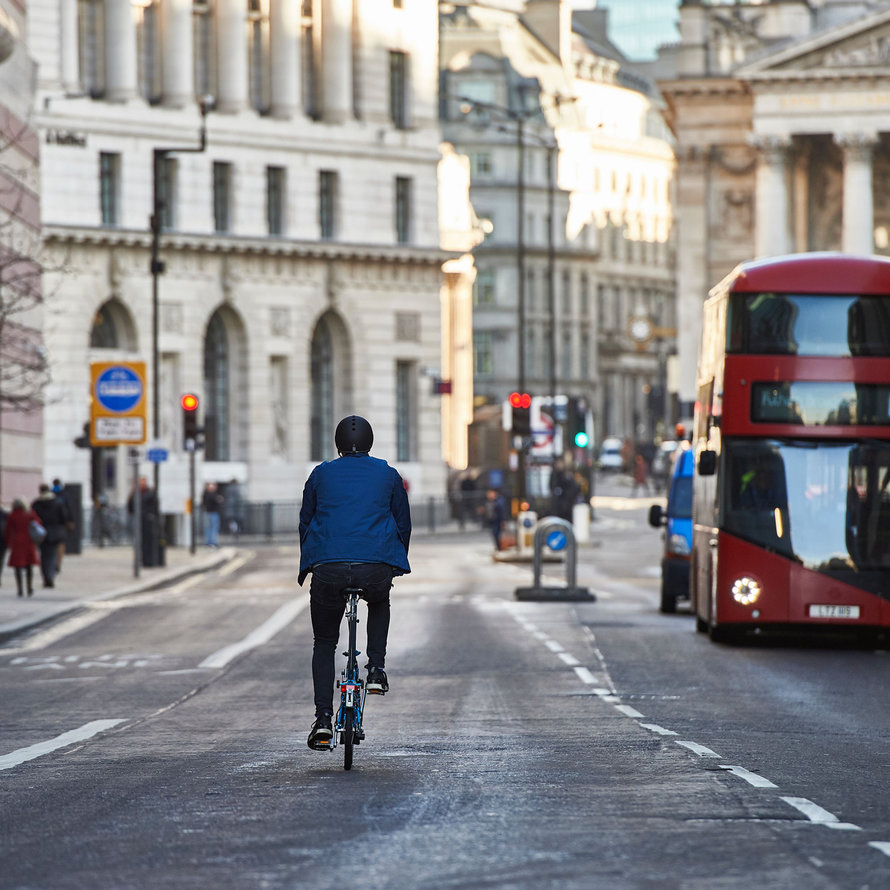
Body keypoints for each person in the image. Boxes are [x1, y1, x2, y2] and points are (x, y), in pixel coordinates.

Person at [299, 415, 411, 751]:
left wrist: (312, 559)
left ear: (337, 443)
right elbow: (403, 523)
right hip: (373, 565)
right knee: (379, 600)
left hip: (329, 568)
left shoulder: (320, 474)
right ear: (370, 442)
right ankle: (376, 668)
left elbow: (306, 521)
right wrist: (393, 562)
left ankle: (322, 719)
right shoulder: (389, 475)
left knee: (324, 641)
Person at [31, 483, 67, 588]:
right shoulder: (57, 503)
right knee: (52, 554)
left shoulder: (36, 504)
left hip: (41, 533)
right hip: (55, 532)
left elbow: (32, 519)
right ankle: (51, 575)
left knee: (43, 556)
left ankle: (46, 576)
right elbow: (63, 517)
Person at [4, 498, 40, 597]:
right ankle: (29, 588)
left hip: (17, 542)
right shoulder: (30, 513)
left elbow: (8, 530)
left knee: (18, 567)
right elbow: (38, 523)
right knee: (29, 566)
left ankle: (19, 589)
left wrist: (8, 542)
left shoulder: (12, 515)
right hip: (29, 541)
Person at [51, 479, 74, 575]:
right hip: (61, 524)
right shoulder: (64, 495)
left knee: (52, 545)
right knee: (61, 544)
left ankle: (54, 563)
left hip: (51, 524)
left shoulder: (50, 494)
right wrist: (70, 521)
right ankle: (58, 564)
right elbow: (68, 509)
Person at [202, 482, 224, 548]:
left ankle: (209, 542)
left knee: (208, 528)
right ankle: (213, 542)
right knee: (213, 528)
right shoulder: (211, 494)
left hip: (207, 512)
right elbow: (218, 500)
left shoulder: (205, 493)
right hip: (213, 513)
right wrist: (219, 498)